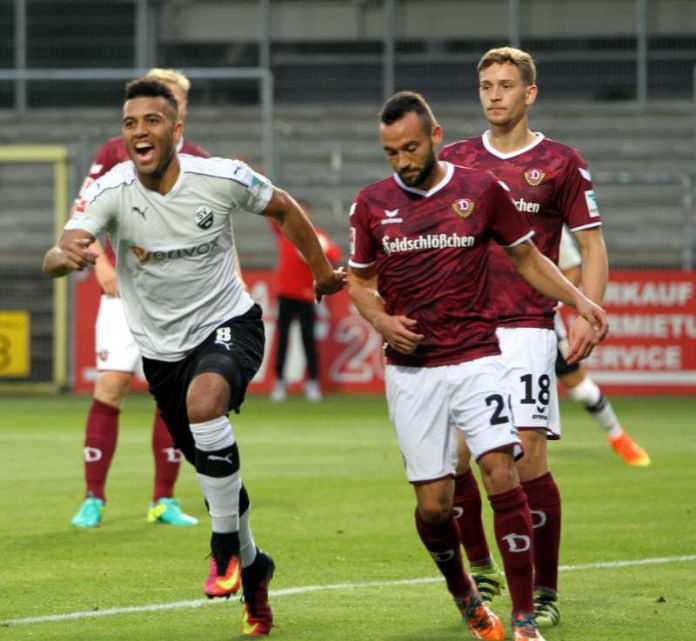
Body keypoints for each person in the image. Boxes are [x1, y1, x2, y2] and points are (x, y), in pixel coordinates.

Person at [43, 77, 345, 636]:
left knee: (206, 404)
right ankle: (253, 570)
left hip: (230, 324)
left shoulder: (220, 176)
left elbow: (284, 208)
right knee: (214, 471)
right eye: (131, 123)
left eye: (152, 121)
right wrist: (67, 256)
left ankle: (222, 544)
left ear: (176, 130)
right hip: (162, 353)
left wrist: (323, 273)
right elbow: (59, 249)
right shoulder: (112, 189)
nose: (140, 132)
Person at [347, 91, 607, 641]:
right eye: (391, 152)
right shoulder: (370, 203)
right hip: (412, 368)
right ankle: (465, 591)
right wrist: (379, 321)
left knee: (502, 467)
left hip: (477, 355)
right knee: (435, 505)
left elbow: (527, 256)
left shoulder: (480, 190)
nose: (403, 161)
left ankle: (524, 616)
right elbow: (360, 283)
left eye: (411, 148)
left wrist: (578, 300)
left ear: (436, 135)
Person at [439, 46, 610, 628]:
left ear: (529, 93)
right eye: (486, 84)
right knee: (458, 457)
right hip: (463, 328)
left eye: (506, 85)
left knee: (527, 455)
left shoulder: (561, 162)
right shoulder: (456, 160)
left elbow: (591, 245)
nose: (493, 95)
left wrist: (586, 312)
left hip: (529, 325)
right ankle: (484, 566)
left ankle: (544, 589)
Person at [70, 68, 206, 529]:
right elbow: (83, 213)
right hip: (123, 294)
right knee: (111, 384)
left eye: (174, 100)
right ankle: (93, 497)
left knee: (172, 395)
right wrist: (102, 263)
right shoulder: (115, 151)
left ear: (181, 111)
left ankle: (163, 500)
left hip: (174, 298)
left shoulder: (201, 161)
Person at [555, 227, 650, 466]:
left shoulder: (544, 217)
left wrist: (550, 299)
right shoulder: (482, 211)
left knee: (580, 388)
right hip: (486, 322)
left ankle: (618, 436)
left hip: (538, 323)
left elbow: (573, 268)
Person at [269, 200, 342, 402]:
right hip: (285, 294)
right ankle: (280, 382)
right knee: (282, 340)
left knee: (308, 341)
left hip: (307, 296)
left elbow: (335, 254)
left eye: (304, 212)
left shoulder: (316, 235)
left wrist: (320, 250)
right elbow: (269, 211)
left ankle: (312, 383)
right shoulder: (285, 230)